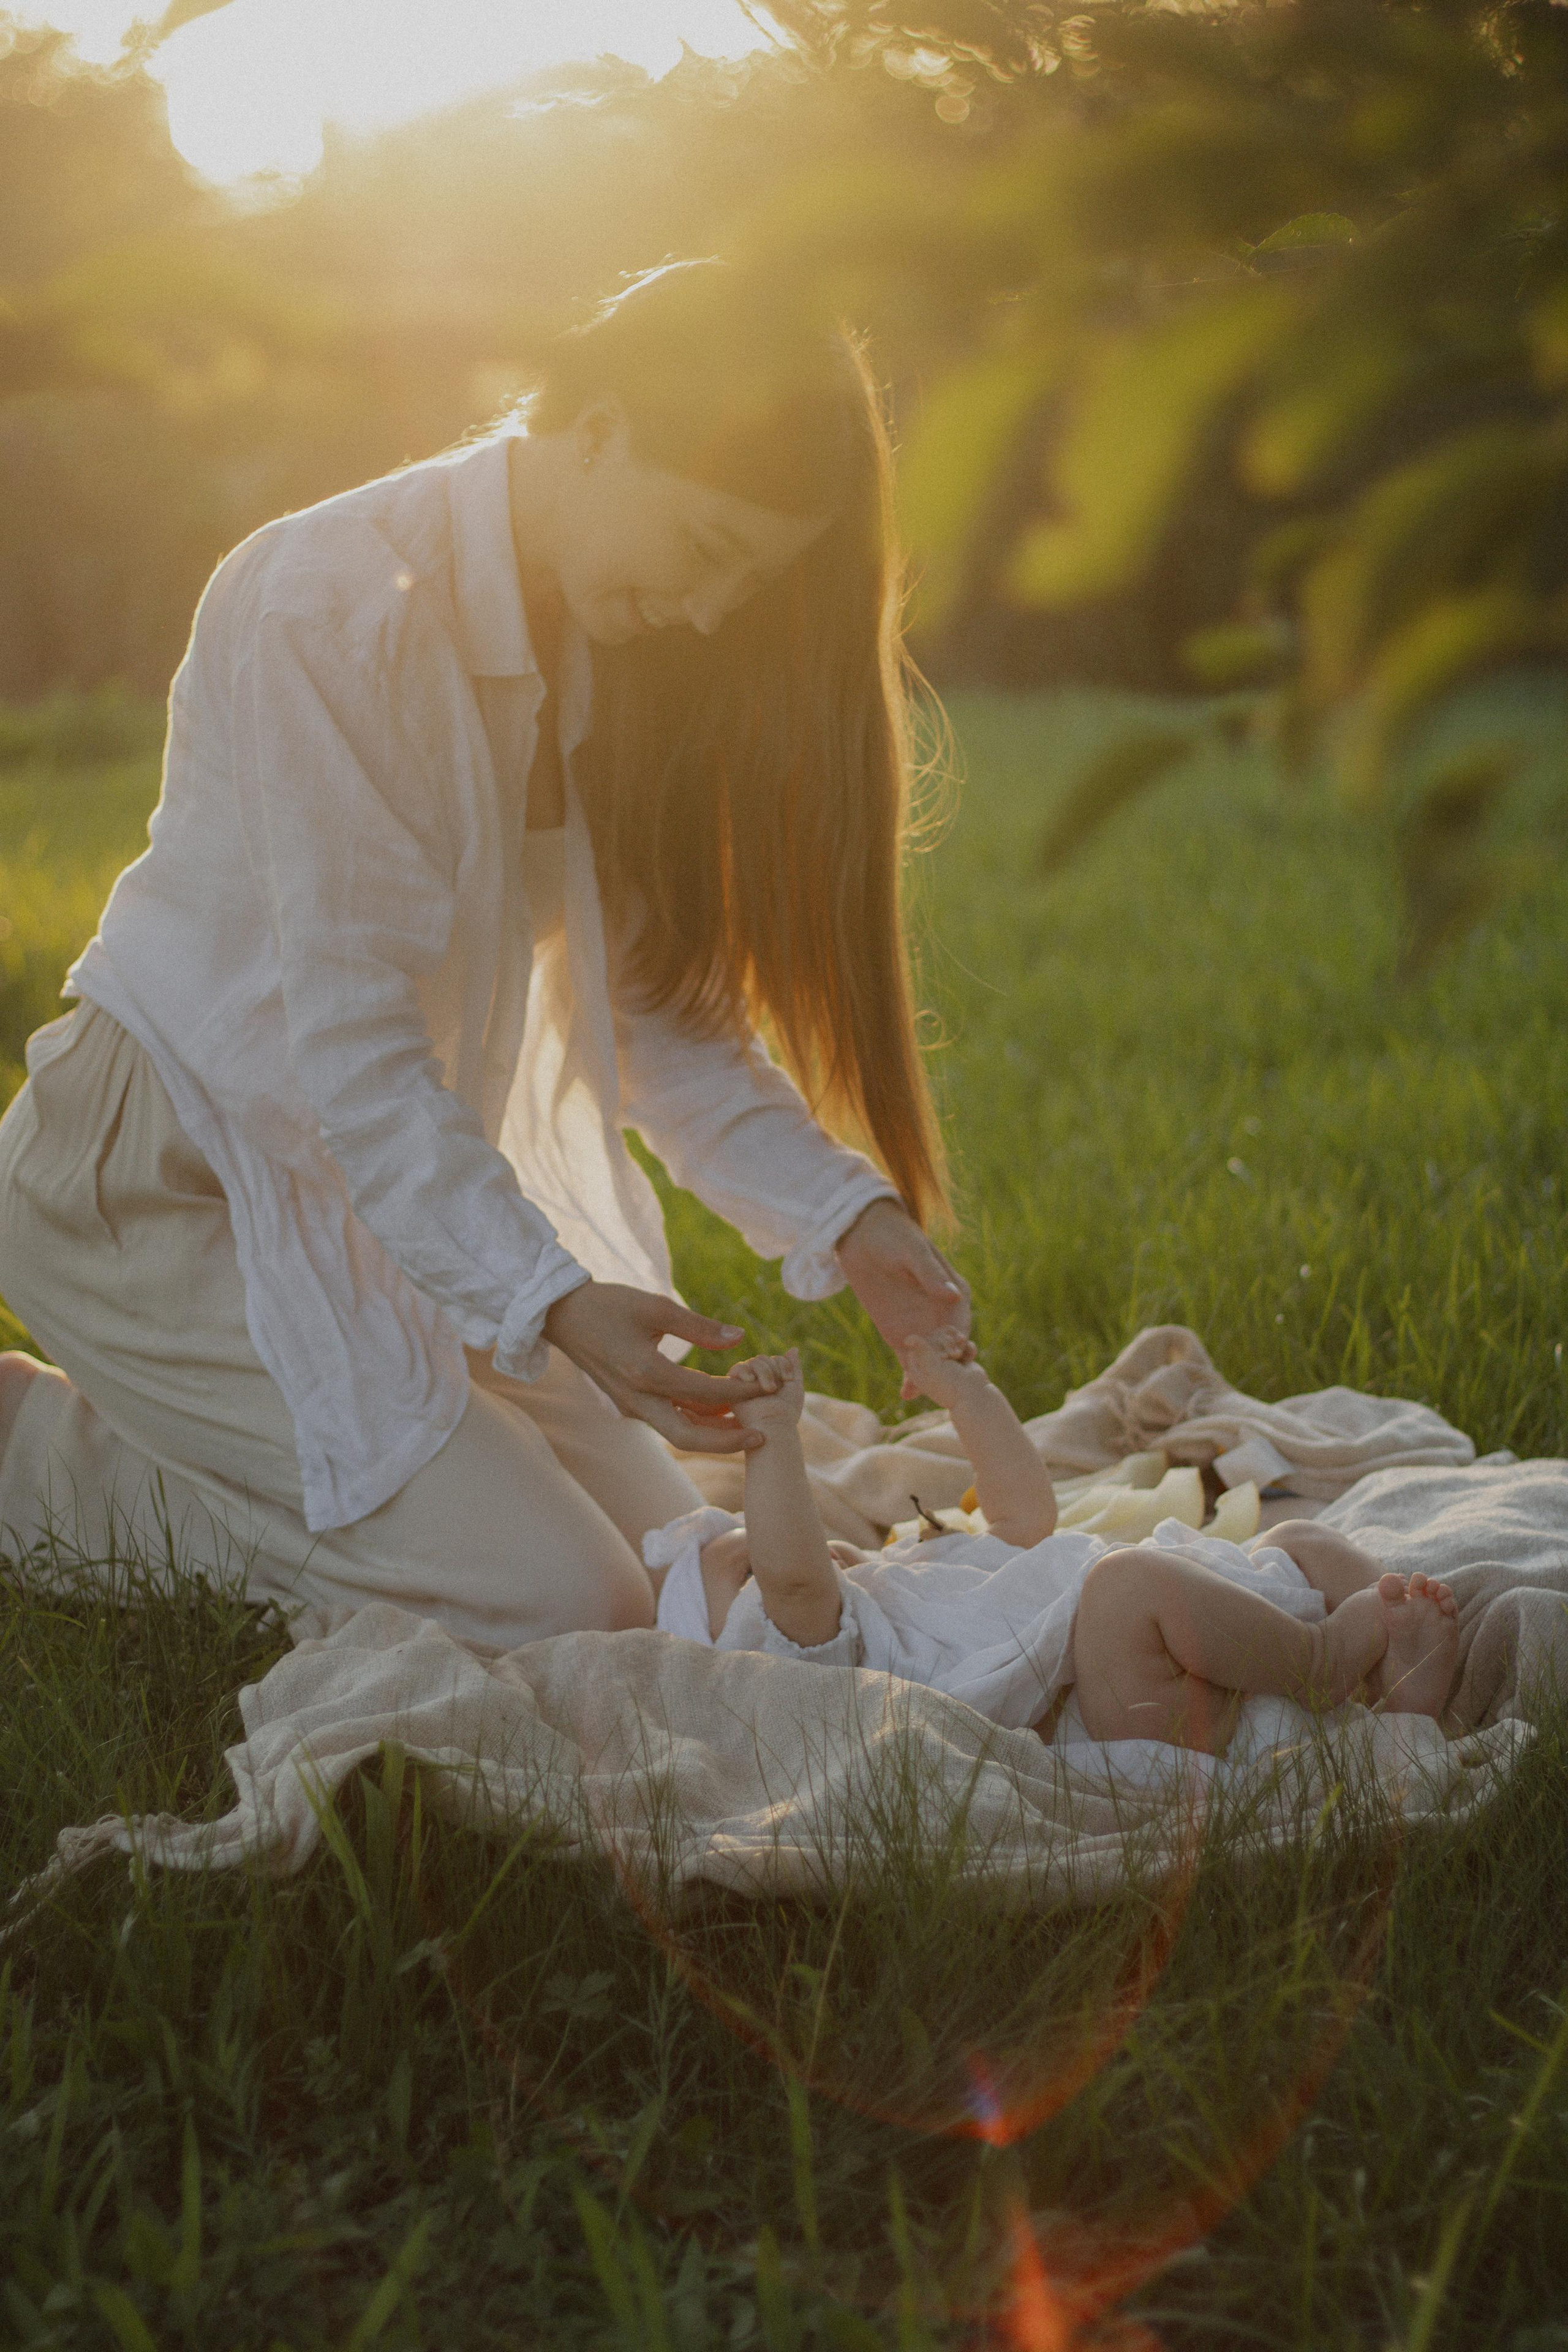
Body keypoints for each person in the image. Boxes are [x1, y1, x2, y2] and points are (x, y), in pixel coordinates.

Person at [0, 258, 970, 1652]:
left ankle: (264, 1444)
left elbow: (653, 1019)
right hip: (159, 1189)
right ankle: (42, 1459)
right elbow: (355, 1050)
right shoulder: (331, 607)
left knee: (667, 1558)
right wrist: (553, 1302)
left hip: (369, 1200)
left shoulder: (596, 647)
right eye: (702, 553)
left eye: (737, 586)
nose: (705, 613)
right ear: (598, 431)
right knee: (568, 1602)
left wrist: (846, 1217)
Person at [647, 1332, 1461, 1751]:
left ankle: (1403, 1687)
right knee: (1128, 1587)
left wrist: (970, 1397)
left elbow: (1023, 1523)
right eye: (749, 1560)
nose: (794, 1549)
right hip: (1114, 1705)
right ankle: (1322, 1662)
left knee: (1302, 1537)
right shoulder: (826, 1661)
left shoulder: (910, 1571)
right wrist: (773, 1441)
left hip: (1190, 1623)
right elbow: (794, 1586)